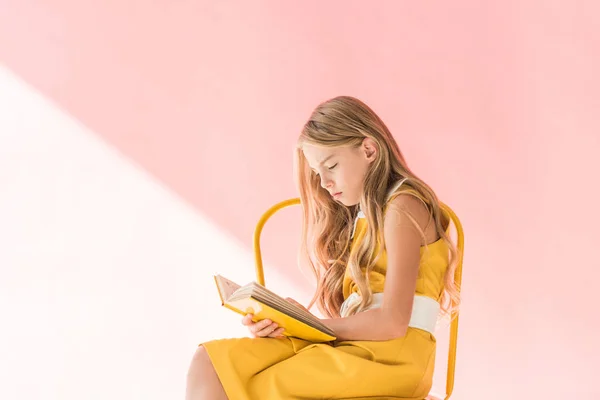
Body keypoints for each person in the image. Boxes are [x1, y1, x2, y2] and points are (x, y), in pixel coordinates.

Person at [185, 96, 461, 400]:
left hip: (390, 359)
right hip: (359, 350)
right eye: (318, 173)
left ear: (369, 150)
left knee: (262, 384)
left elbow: (393, 322)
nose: (325, 182)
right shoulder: (365, 218)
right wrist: (293, 322)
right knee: (209, 361)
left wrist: (312, 325)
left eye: (331, 165)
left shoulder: (403, 206)